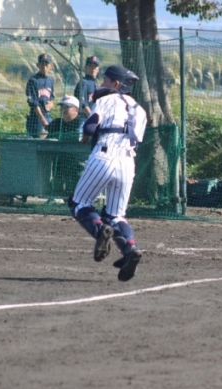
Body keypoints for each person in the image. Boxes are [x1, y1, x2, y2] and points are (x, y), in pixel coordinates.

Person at [67, 65, 148, 282]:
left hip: (104, 156)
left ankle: (99, 228)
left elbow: (89, 129)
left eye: (105, 81)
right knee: (115, 215)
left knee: (79, 203)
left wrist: (87, 131)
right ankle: (130, 248)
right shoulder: (141, 111)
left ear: (116, 84)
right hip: (128, 163)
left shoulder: (106, 100)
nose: (102, 84)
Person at [25, 53, 55, 138]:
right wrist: (43, 120)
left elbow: (51, 97)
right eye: (42, 64)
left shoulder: (50, 80)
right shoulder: (33, 81)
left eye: (46, 64)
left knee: (51, 138)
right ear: (38, 65)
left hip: (48, 115)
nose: (44, 67)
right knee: (39, 139)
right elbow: (34, 103)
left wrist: (51, 103)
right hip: (36, 118)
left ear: (51, 66)